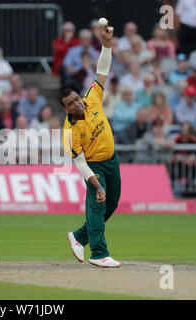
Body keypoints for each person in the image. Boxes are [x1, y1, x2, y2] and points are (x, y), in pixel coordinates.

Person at [61, 21, 121, 268]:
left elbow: (102, 71)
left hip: (112, 161)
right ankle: (99, 253)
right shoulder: (68, 132)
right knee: (98, 204)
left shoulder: (91, 97)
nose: (77, 104)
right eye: (71, 103)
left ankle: (79, 236)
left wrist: (106, 45)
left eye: (76, 98)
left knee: (112, 204)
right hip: (94, 166)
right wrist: (95, 184)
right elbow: (80, 163)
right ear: (65, 109)